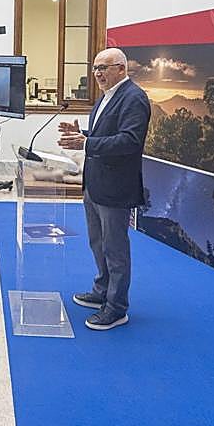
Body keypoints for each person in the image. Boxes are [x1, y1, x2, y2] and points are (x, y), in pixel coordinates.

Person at [57, 48, 151, 332]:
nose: (97, 73)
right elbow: (104, 136)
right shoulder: (105, 97)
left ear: (121, 69)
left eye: (104, 67)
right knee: (98, 242)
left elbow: (129, 141)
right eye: (95, 67)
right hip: (95, 184)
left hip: (115, 188)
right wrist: (82, 134)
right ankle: (102, 290)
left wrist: (85, 144)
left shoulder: (134, 98)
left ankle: (116, 307)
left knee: (115, 248)